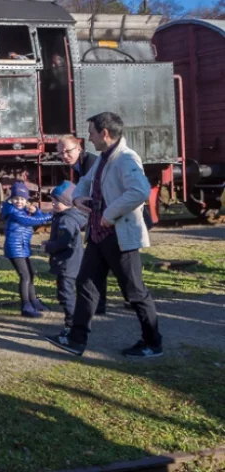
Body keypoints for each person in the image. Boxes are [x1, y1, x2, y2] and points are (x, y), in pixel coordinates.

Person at [46, 112, 163, 358]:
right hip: (99, 235)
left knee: (134, 291)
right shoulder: (103, 158)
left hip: (119, 236)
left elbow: (140, 191)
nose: (89, 138)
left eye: (91, 133)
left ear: (105, 133)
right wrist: (78, 198)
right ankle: (76, 340)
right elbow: (85, 182)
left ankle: (153, 343)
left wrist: (109, 214)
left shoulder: (126, 158)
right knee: (86, 283)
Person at [59, 135, 117, 315]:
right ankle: (99, 305)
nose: (64, 156)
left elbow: (99, 192)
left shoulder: (90, 163)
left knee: (117, 265)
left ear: (79, 148)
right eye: (60, 153)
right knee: (99, 265)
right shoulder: (80, 165)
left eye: (67, 151)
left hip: (108, 219)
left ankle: (133, 300)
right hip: (99, 220)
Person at [1, 181, 53, 317]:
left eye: (22, 199)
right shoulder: (14, 212)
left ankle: (34, 301)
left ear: (26, 201)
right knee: (25, 276)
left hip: (22, 247)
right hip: (15, 248)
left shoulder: (22, 210)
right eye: (16, 198)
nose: (19, 201)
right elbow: (33, 221)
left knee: (30, 274)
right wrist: (53, 215)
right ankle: (26, 306)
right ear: (11, 199)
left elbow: (37, 218)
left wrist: (37, 211)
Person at [43, 182, 87, 336]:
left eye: (57, 201)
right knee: (66, 292)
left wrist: (48, 246)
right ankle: (76, 321)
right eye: (53, 200)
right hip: (71, 262)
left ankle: (71, 325)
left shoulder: (65, 220)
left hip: (66, 263)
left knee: (66, 294)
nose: (53, 203)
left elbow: (63, 242)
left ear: (67, 203)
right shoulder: (66, 217)